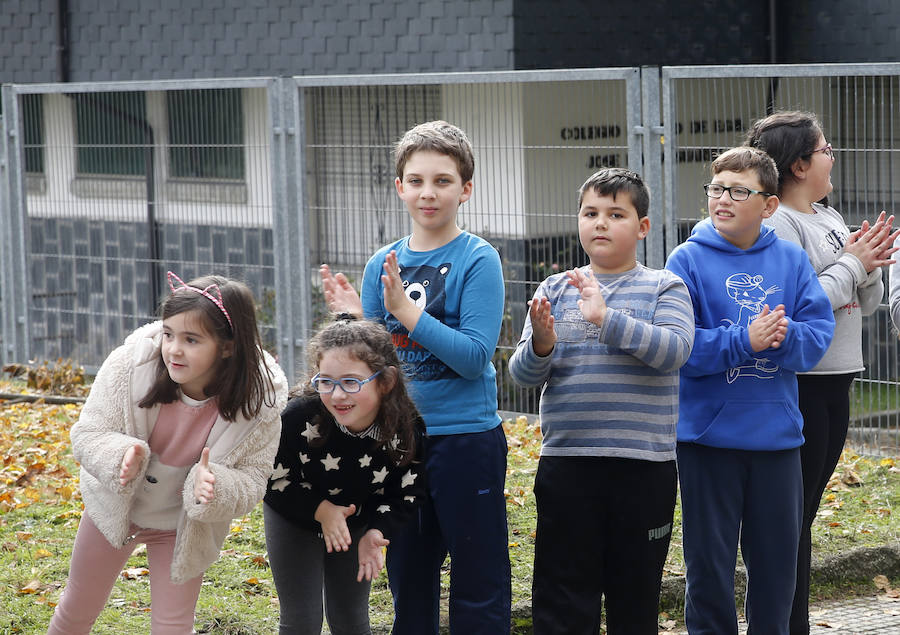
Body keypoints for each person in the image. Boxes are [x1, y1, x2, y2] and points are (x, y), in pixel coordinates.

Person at [320, 120, 511, 634]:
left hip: (466, 441)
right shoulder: (381, 264)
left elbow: (474, 357)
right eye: (417, 180)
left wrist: (405, 311)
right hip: (399, 443)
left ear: (465, 189)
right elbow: (376, 366)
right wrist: (355, 320)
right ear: (399, 187)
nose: (429, 192)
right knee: (409, 579)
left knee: (479, 581)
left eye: (443, 181)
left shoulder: (478, 259)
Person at [507, 168, 695, 633]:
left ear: (643, 226)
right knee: (563, 595)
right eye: (590, 213)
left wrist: (606, 318)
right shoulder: (554, 290)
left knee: (635, 593)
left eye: (616, 214)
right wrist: (542, 344)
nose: (601, 223)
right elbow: (522, 376)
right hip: (568, 464)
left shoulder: (665, 286)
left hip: (643, 468)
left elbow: (675, 351)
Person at [48, 272, 288, 634]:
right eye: (169, 334)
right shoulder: (130, 367)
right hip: (113, 508)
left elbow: (254, 479)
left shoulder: (260, 402)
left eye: (191, 339)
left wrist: (215, 485)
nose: (174, 349)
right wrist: (120, 455)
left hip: (182, 527)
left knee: (173, 625)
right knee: (77, 608)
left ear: (227, 347)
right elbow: (87, 433)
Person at [665, 147, 835, 634]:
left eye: (739, 191)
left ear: (769, 205)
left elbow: (816, 336)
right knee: (708, 567)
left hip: (777, 442)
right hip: (706, 443)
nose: (723, 199)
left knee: (778, 570)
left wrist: (782, 336)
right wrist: (745, 340)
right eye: (717, 188)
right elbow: (680, 346)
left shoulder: (790, 259)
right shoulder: (686, 259)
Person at [745, 111, 899, 634]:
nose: (833, 157)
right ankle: (784, 622)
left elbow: (865, 301)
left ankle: (793, 621)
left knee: (804, 512)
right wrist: (853, 263)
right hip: (802, 384)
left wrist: (868, 262)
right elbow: (800, 303)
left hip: (840, 378)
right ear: (798, 165)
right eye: (826, 149)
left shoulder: (828, 217)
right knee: (791, 517)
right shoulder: (780, 224)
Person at [263, 315, 427, 634]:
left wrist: (377, 531)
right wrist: (321, 510)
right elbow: (273, 478)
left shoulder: (405, 429)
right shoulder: (297, 417)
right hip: (293, 515)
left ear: (386, 381)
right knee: (301, 620)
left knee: (351, 619)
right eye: (326, 381)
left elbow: (407, 492)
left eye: (351, 382)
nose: (337, 395)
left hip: (356, 523)